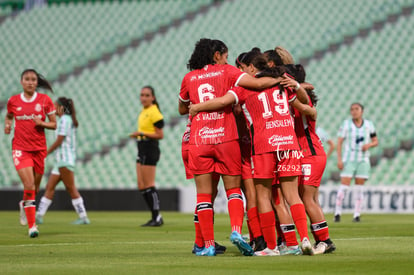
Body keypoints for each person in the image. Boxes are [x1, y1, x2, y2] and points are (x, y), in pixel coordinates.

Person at [189, 49, 315, 256]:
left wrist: (197, 108)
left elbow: (222, 102)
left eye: (243, 67)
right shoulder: (282, 82)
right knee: (292, 196)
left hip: (264, 144)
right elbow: (304, 102)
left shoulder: (244, 88)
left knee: (263, 196)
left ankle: (271, 247)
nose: (240, 71)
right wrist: (298, 85)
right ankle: (301, 240)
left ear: (251, 68)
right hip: (288, 143)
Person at [179, 38, 281, 257]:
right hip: (226, 139)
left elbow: (181, 107)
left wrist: (197, 107)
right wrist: (282, 78)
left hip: (199, 139)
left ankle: (207, 245)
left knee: (204, 196)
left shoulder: (189, 77)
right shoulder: (227, 71)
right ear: (217, 55)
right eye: (225, 55)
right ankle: (236, 231)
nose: (227, 59)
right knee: (234, 190)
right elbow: (258, 83)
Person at [4, 69, 56, 238]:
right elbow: (9, 115)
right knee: (29, 185)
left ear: (36, 83)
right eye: (27, 79)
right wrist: (7, 124)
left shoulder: (45, 100)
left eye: (33, 79)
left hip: (39, 149)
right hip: (20, 148)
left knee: (34, 188)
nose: (30, 82)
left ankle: (24, 204)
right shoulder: (13, 101)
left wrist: (42, 123)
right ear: (21, 82)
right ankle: (32, 227)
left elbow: (54, 124)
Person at [35, 97, 90, 225]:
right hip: (60, 161)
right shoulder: (65, 120)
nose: (53, 108)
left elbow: (60, 140)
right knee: (50, 186)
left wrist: (45, 153)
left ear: (61, 107)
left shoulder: (65, 120)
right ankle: (39, 216)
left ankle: (83, 217)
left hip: (65, 159)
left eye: (55, 106)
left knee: (71, 188)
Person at [335, 103, 378, 222]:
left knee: (359, 188)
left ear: (362, 111)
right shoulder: (346, 124)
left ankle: (356, 214)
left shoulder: (369, 125)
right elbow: (339, 142)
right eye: (352, 109)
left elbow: (375, 141)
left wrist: (369, 145)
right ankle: (337, 212)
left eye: (356, 109)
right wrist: (339, 159)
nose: (354, 111)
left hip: (363, 159)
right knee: (344, 186)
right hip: (349, 159)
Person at [129, 86, 164, 226]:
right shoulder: (144, 111)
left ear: (152, 97)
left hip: (150, 147)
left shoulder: (154, 112)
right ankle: (154, 216)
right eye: (142, 95)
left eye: (147, 95)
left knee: (149, 184)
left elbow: (160, 135)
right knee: (141, 185)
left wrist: (141, 134)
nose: (143, 98)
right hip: (141, 147)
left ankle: (157, 217)